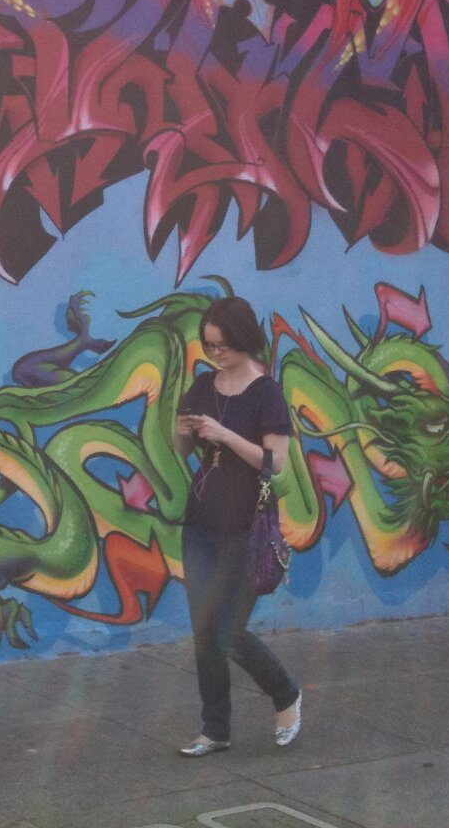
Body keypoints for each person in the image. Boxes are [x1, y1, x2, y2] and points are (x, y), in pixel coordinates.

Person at [173, 295, 302, 756]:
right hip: (200, 524)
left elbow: (274, 462)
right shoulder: (203, 385)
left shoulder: (266, 392)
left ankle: (285, 694)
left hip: (247, 528)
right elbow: (182, 451)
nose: (215, 354)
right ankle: (215, 729)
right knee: (205, 633)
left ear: (245, 340)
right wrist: (183, 431)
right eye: (209, 346)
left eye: (222, 345)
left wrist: (225, 435)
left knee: (229, 631)